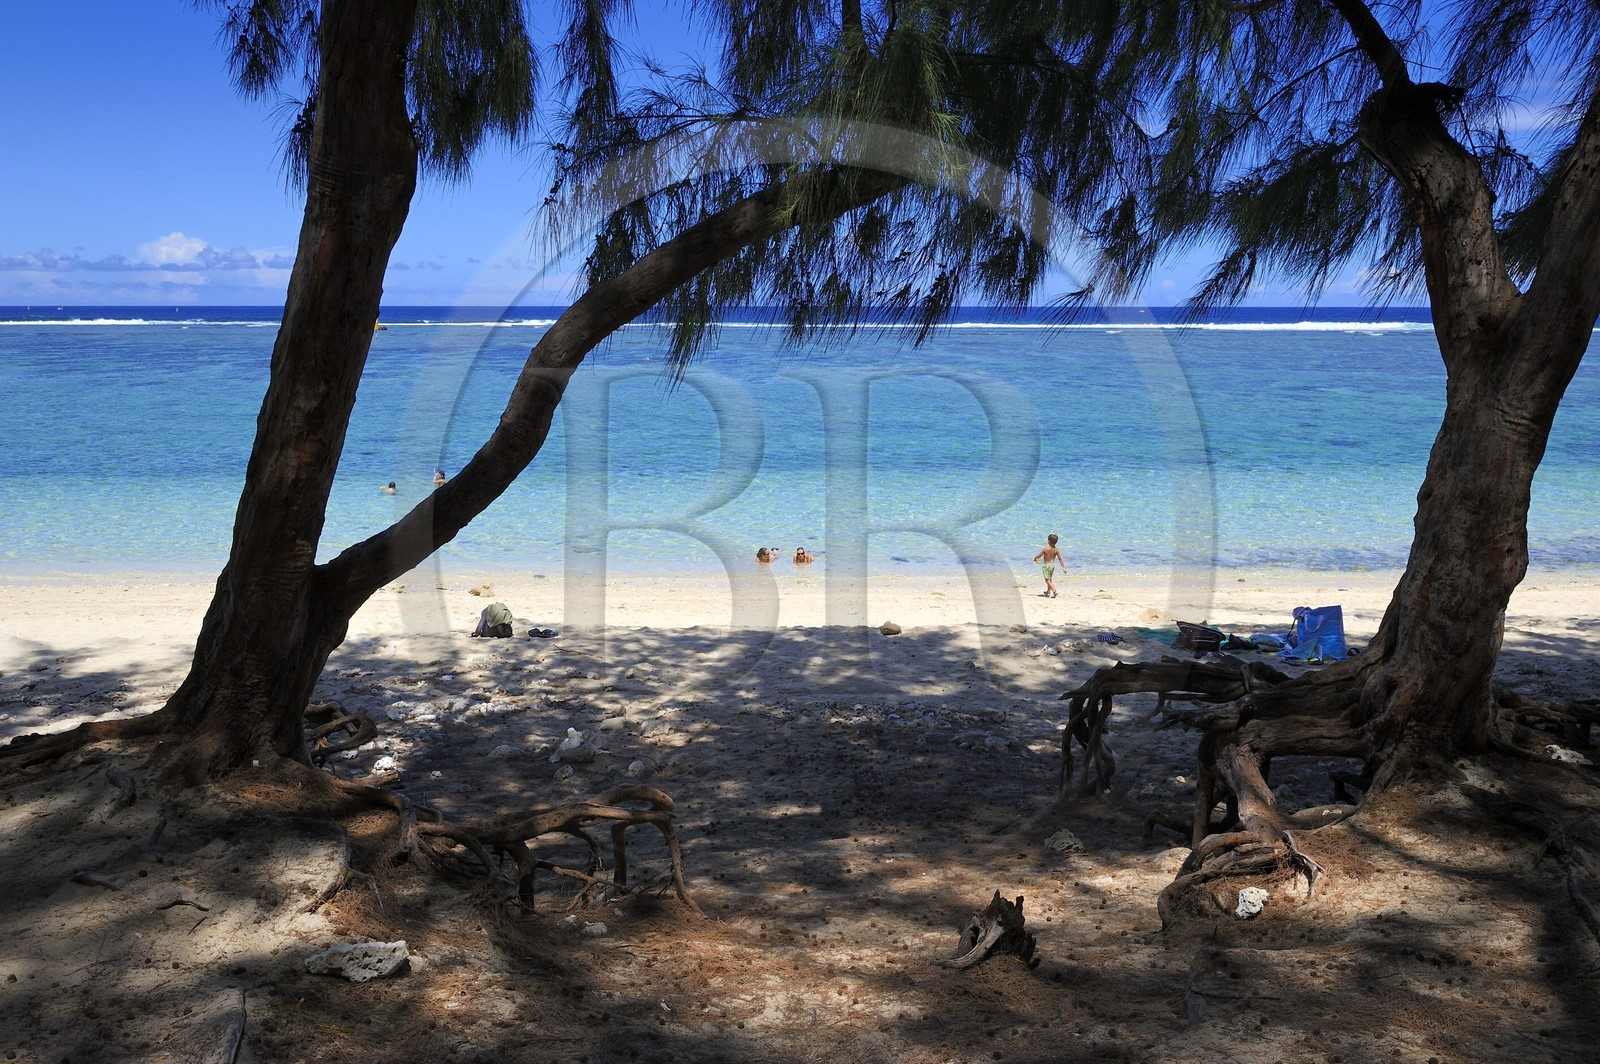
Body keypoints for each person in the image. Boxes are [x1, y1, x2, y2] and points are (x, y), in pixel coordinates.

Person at [1032, 533, 1063, 598]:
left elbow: (1039, 555)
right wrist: (1064, 567)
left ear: (1048, 541)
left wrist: (1035, 558)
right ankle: (1048, 591)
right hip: (1052, 566)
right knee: (1050, 579)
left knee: (1047, 580)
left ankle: (1054, 590)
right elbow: (1060, 559)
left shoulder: (1045, 549)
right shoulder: (1056, 550)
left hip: (1046, 566)